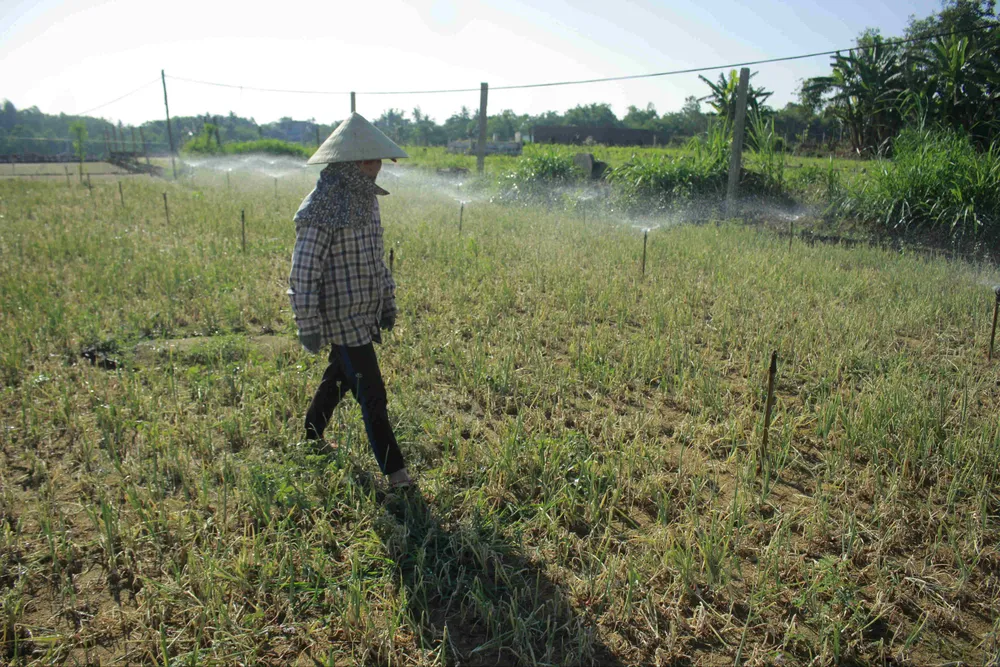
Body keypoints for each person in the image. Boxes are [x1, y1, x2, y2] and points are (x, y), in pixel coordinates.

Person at [288, 113, 413, 489]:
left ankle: (311, 435)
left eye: (378, 159)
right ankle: (398, 476)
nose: (378, 166)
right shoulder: (321, 206)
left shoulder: (366, 200)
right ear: (353, 161)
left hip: (364, 314)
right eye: (371, 159)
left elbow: (375, 259)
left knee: (340, 378)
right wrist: (308, 325)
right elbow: (304, 272)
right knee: (373, 395)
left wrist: (386, 303)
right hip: (343, 318)